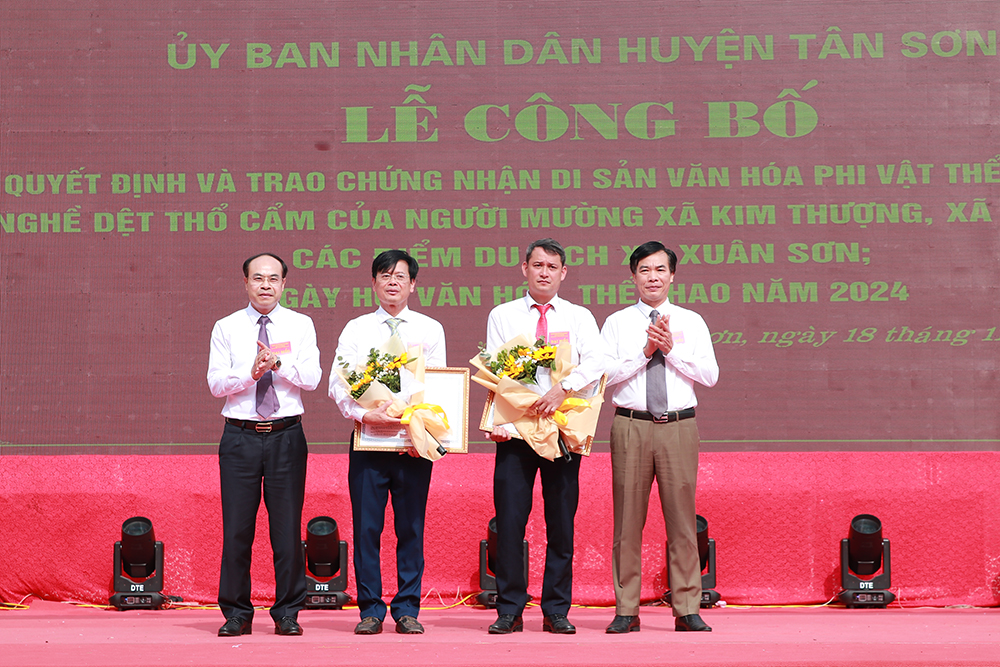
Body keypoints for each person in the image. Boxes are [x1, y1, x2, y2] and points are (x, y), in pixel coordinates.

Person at [484, 238, 604, 635]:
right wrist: (496, 421)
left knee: (561, 523)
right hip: (517, 431)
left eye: (552, 267)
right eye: (537, 265)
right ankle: (510, 608)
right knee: (511, 521)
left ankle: (556, 609)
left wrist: (563, 389)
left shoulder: (580, 316)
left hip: (562, 430)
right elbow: (495, 371)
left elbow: (598, 362)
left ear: (563, 273)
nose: (544, 272)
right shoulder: (503, 314)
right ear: (524, 268)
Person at [600, 241, 719, 634]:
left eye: (660, 270)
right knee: (627, 521)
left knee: (683, 520)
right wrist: (645, 350)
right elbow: (606, 376)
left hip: (679, 427)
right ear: (633, 276)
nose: (653, 277)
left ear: (672, 275)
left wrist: (671, 352)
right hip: (630, 424)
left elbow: (710, 376)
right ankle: (626, 609)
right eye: (644, 270)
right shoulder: (617, 322)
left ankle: (687, 607)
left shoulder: (692, 321)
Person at [328, 250, 446, 635]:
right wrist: (364, 415)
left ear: (413, 284)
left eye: (400, 276)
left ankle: (408, 608)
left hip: (414, 445)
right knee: (367, 528)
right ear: (373, 283)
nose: (392, 282)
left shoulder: (430, 329)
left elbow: (440, 385)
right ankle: (371, 609)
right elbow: (338, 383)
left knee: (411, 527)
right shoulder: (357, 328)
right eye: (384, 275)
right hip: (369, 442)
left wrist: (423, 433)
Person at [207, 253, 322, 637]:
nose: (266, 285)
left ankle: (287, 612)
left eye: (273, 278)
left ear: (284, 284)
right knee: (237, 529)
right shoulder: (226, 327)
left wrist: (277, 366)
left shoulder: (301, 324)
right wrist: (249, 372)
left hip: (286, 435)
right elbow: (216, 384)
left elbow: (312, 377)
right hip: (239, 437)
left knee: (286, 530)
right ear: (245, 283)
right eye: (258, 278)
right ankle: (237, 613)